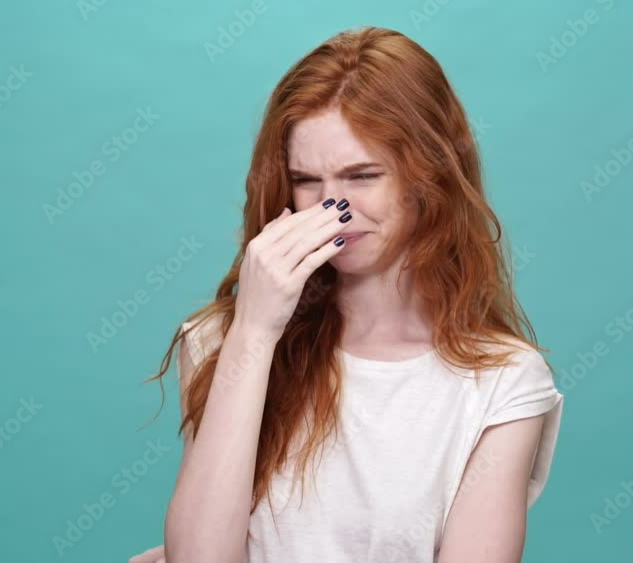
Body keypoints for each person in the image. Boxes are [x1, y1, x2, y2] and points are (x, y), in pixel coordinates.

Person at [131, 25, 564, 563]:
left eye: (362, 175)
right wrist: (254, 332)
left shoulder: (503, 383)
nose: (332, 206)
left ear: (428, 177)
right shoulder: (223, 340)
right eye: (306, 179)